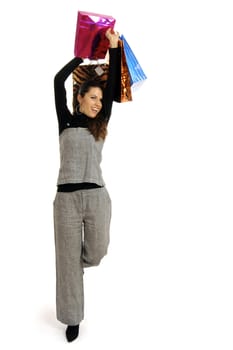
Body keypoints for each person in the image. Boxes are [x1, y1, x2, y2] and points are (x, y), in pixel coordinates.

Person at [53, 28, 120, 342]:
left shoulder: (101, 121)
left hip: (96, 197)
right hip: (66, 201)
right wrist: (83, 52)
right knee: (67, 263)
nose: (96, 102)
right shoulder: (65, 121)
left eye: (99, 98)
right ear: (79, 96)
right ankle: (72, 317)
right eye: (91, 97)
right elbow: (57, 80)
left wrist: (113, 48)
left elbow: (111, 90)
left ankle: (71, 267)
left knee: (97, 252)